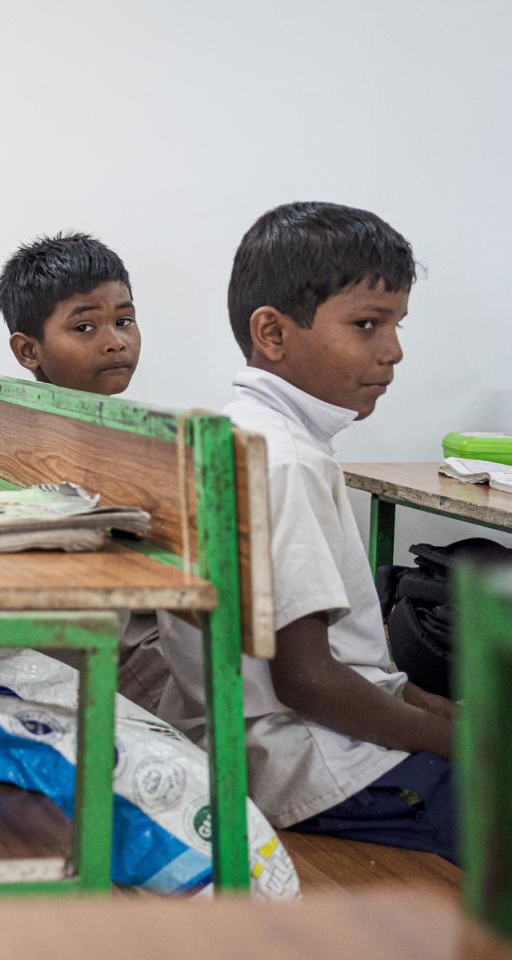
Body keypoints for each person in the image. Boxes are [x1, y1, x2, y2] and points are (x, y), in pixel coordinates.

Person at [156, 201, 454, 861]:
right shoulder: (285, 459)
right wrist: (455, 743)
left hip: (257, 741)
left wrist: (433, 711)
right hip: (313, 766)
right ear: (273, 332)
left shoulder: (235, 432)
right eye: (368, 324)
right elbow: (308, 682)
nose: (395, 351)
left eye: (397, 324)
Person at [0, 231, 163, 710]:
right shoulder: (39, 447)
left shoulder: (128, 439)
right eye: (85, 328)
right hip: (113, 656)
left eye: (124, 321)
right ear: (29, 351)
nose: (115, 343)